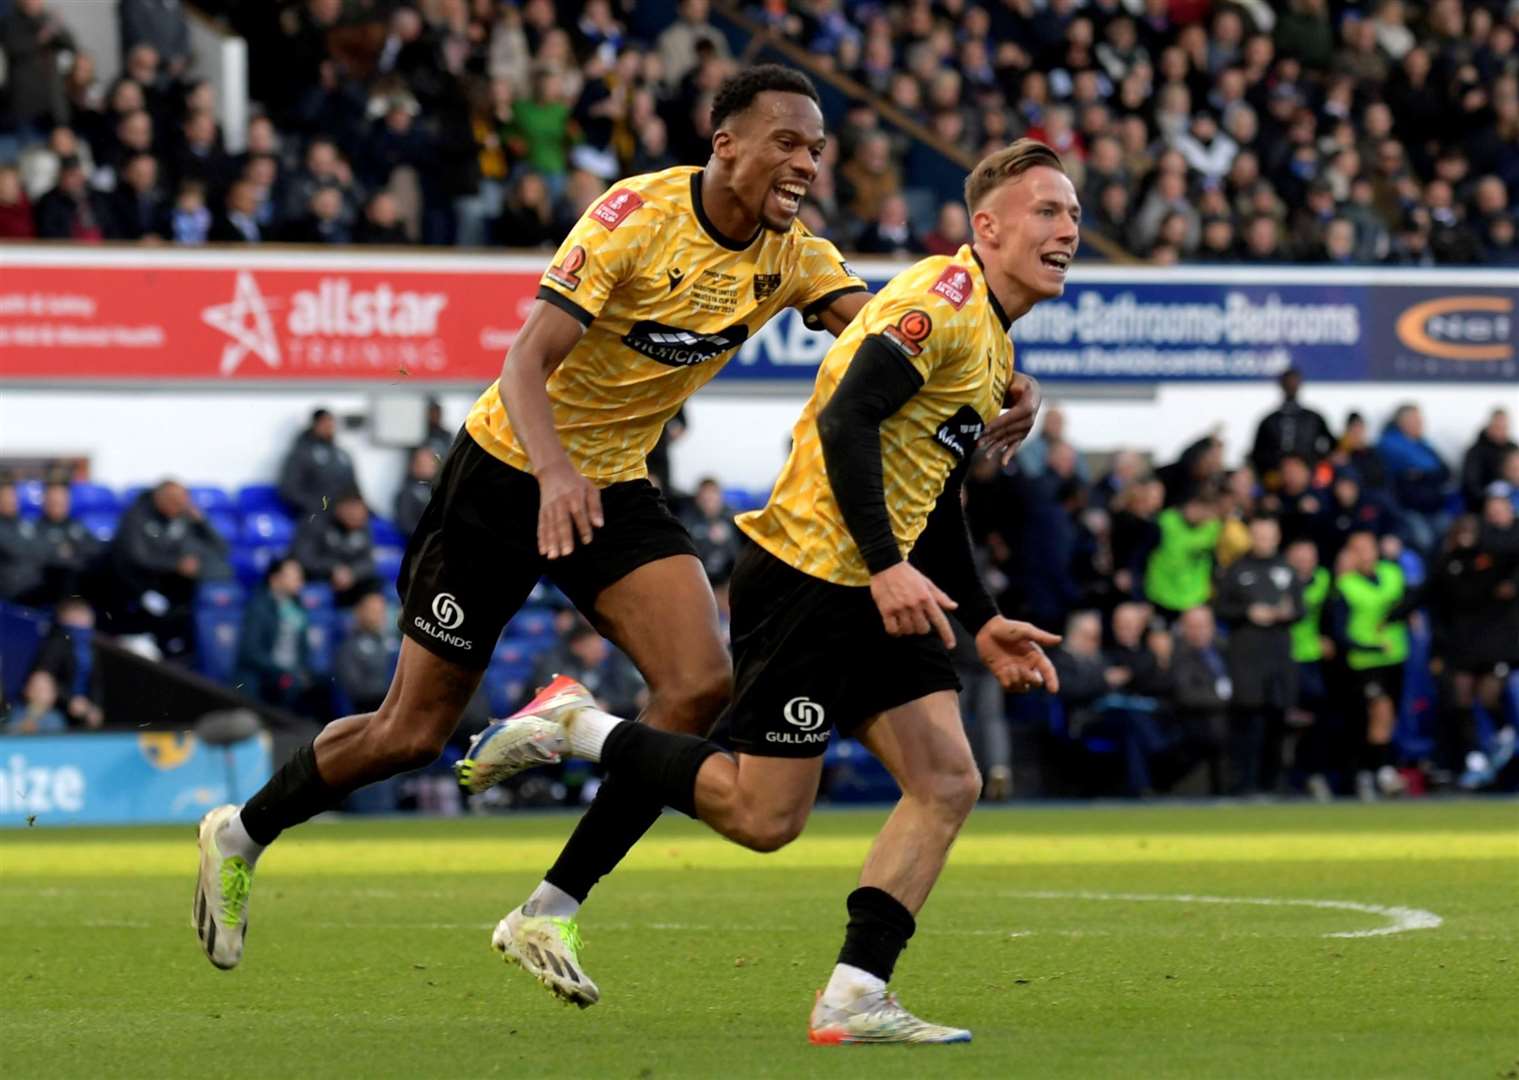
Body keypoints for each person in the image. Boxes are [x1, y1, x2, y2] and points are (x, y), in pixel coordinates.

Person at [190, 67, 1045, 976]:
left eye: (817, 152)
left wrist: (994, 370)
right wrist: (554, 474)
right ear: (726, 145)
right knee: (411, 732)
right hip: (506, 471)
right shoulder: (634, 216)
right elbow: (526, 361)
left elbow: (896, 338)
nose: (806, 165)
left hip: (612, 489)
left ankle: (549, 909)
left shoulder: (794, 254)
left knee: (697, 685)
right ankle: (242, 831)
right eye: (787, 143)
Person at [461, 138, 1072, 1042]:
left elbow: (934, 491)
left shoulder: (988, 337)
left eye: (1072, 214)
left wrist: (979, 622)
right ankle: (578, 726)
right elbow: (846, 416)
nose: (1068, 229)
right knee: (761, 818)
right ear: (986, 227)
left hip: (874, 583)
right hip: (812, 581)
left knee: (946, 778)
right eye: (1047, 212)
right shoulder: (937, 303)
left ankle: (855, 995)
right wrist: (885, 561)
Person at [1212, 516, 1303, 795]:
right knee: (1248, 723)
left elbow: (1301, 609)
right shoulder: (1236, 570)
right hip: (1246, 658)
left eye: (1269, 536)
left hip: (1278, 656)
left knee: (1278, 722)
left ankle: (1273, 782)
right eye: (1259, 536)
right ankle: (1243, 783)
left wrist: (1286, 613)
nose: (1264, 541)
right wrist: (1247, 613)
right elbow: (1220, 609)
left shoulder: (1287, 570)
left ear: (1277, 537)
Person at [1326, 530, 1415, 801]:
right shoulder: (1345, 586)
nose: (1364, 554)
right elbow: (1338, 632)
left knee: (1387, 717)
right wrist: (1369, 646)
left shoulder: (1392, 573)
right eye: (1358, 549)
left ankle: (1369, 770)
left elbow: (1408, 602)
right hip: (1364, 662)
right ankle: (1381, 771)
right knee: (1379, 711)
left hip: (1395, 656)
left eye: (1368, 548)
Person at [105, 481, 230, 658]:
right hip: (137, 587)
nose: (179, 506)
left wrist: (202, 521)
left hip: (174, 589)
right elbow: (137, 557)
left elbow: (222, 549)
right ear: (159, 498)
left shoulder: (184, 516)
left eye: (183, 501)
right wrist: (176, 564)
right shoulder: (136, 516)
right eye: (174, 501)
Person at [1284, 537, 1335, 800]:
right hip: (1284, 657)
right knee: (1285, 719)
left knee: (1317, 718)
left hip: (1312, 657)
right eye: (1299, 558)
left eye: (1309, 558)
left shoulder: (1324, 579)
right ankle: (1286, 777)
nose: (1305, 564)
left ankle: (1310, 774)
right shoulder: (1280, 580)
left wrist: (1328, 635)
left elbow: (1331, 611)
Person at [233, 557, 316, 712]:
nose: (300, 580)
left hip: (291, 673)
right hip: (266, 674)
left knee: (321, 683)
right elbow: (250, 652)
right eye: (293, 575)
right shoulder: (259, 607)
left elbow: (304, 650)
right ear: (275, 579)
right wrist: (280, 669)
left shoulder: (298, 608)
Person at [1143, 487, 1222, 621]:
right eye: (1205, 510)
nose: (1207, 516)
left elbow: (1213, 558)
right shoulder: (1165, 522)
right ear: (1192, 505)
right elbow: (1143, 553)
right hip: (1163, 594)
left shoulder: (1213, 527)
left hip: (1195, 596)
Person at [1250, 367, 1334, 489]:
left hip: (1310, 482)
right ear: (1281, 385)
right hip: (1276, 484)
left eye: (1294, 382)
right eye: (1288, 382)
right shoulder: (1269, 421)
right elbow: (1257, 455)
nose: (1291, 385)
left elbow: (1331, 448)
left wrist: (1314, 466)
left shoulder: (1314, 418)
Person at [290, 492, 377, 608]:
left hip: (351, 582)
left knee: (377, 590)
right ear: (340, 508)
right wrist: (333, 569)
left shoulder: (363, 528)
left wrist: (352, 572)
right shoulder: (316, 523)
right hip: (318, 579)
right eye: (352, 511)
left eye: (361, 512)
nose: (358, 516)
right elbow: (304, 557)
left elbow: (369, 562)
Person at [277, 408, 359, 515]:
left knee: (376, 526)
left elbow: (355, 489)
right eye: (324, 422)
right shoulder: (301, 454)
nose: (329, 426)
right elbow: (289, 490)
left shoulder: (343, 455)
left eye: (331, 422)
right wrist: (318, 506)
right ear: (314, 424)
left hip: (346, 514)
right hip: (315, 513)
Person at [334, 589, 397, 715]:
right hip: (367, 714)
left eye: (381, 611)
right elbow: (357, 691)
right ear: (359, 612)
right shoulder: (348, 648)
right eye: (372, 611)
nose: (378, 616)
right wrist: (394, 693)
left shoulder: (395, 644)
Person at [1460, 408, 1515, 511]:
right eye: (1497, 427)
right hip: (1484, 506)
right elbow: (1471, 485)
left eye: (1504, 427)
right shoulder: (1475, 452)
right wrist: (1489, 501)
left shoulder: (1513, 449)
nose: (1501, 431)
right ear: (1489, 426)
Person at [393, 446, 438, 538]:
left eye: (430, 461)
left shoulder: (440, 488)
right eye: (422, 462)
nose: (428, 465)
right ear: (412, 465)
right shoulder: (407, 493)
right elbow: (406, 525)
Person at [4, 670, 67, 734]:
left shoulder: (56, 719)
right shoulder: (15, 713)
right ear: (26, 689)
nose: (38, 693)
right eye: (35, 687)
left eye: (44, 689)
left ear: (54, 694)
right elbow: (6, 731)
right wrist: (20, 727)